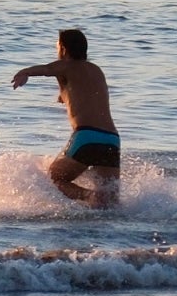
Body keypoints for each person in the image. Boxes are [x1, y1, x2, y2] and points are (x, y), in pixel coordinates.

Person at [11, 28, 121, 206]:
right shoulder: (96, 70)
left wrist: (24, 72)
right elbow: (84, 93)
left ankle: (88, 196)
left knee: (55, 178)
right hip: (111, 139)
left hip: (86, 136)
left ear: (63, 48)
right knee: (111, 200)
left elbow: (47, 69)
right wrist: (63, 96)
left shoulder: (67, 66)